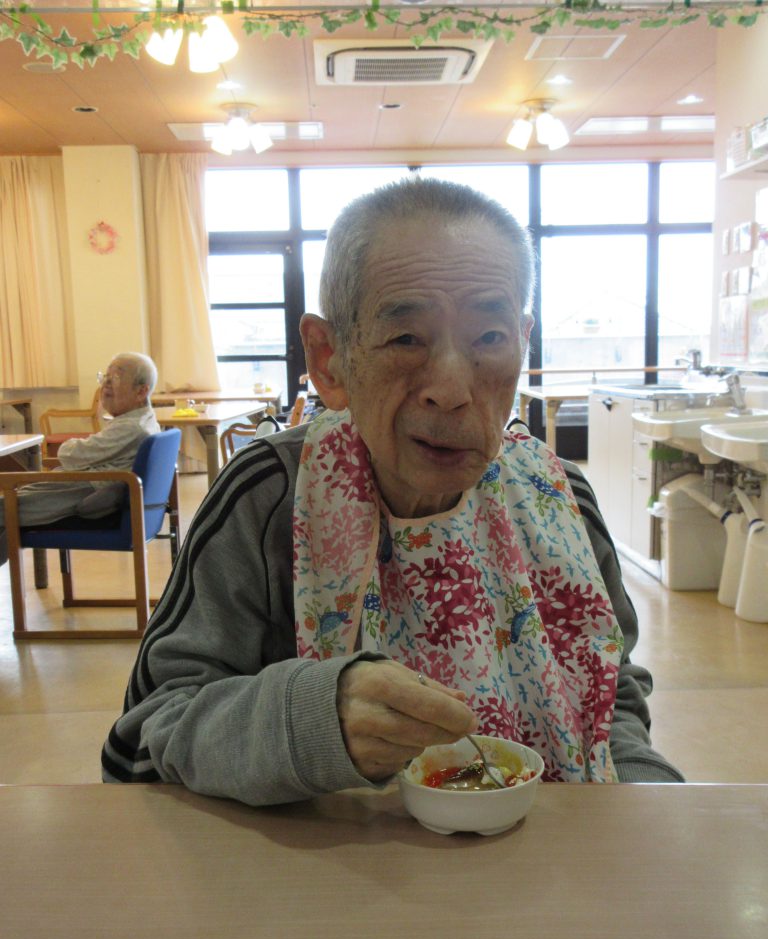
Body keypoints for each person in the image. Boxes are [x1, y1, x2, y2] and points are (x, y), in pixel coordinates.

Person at [102, 180, 683, 803]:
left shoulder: (560, 497)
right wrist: (313, 721)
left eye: (489, 338)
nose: (451, 391)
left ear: (522, 341)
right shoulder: (269, 495)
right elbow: (139, 746)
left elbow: (611, 694)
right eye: (407, 339)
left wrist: (646, 804)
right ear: (329, 359)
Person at [0, 352, 159, 566]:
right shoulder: (145, 420)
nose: (106, 384)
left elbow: (69, 455)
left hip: (82, 493)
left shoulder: (132, 427)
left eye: (117, 377)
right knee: (7, 518)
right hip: (84, 487)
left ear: (141, 391)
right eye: (105, 376)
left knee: (5, 509)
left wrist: (72, 448)